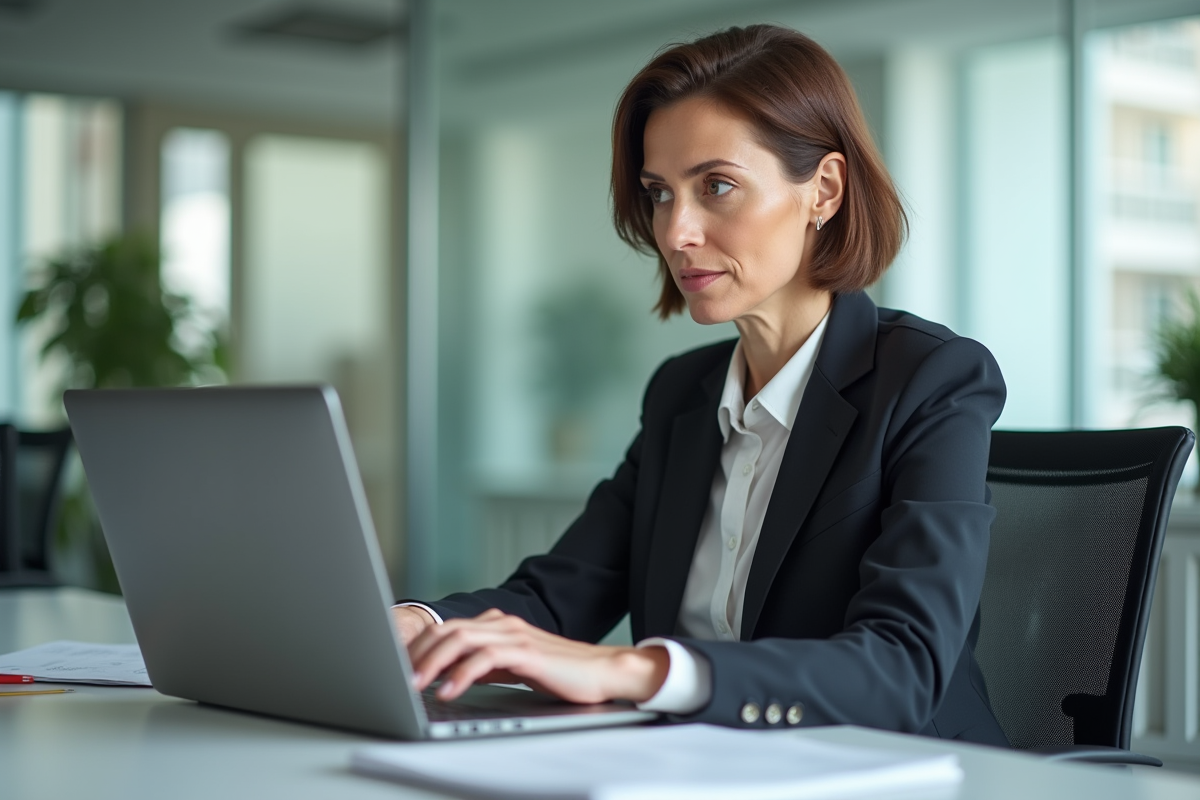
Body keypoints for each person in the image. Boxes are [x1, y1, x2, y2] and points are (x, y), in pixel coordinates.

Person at [391, 24, 1009, 746]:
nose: (677, 231)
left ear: (824, 192)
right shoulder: (681, 394)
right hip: (699, 766)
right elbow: (559, 594)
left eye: (717, 186)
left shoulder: (931, 380)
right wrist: (419, 624)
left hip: (891, 771)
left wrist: (638, 672)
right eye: (659, 193)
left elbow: (903, 668)